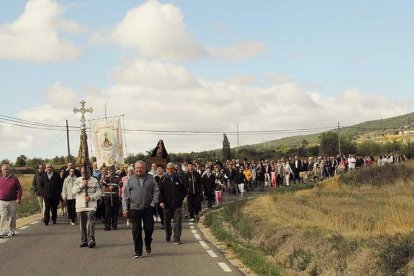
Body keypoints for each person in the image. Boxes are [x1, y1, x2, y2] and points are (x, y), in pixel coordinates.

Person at [122, 160, 159, 259]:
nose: (139, 170)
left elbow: (156, 191)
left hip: (148, 208)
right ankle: (138, 251)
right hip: (134, 208)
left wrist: (153, 203)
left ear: (145, 168)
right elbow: (125, 195)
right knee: (136, 230)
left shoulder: (151, 178)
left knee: (149, 229)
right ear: (135, 169)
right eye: (137, 168)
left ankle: (147, 243)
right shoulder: (130, 180)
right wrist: (125, 208)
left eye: (141, 168)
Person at [72, 166, 102, 248]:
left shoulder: (94, 180)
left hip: (91, 206)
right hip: (80, 206)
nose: (85, 174)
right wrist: (82, 185)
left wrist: (91, 197)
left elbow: (99, 192)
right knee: (82, 224)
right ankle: (84, 240)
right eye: (83, 172)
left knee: (91, 223)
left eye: (87, 172)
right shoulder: (78, 180)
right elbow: (73, 191)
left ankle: (91, 239)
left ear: (90, 172)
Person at [159, 162, 187, 244]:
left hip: (177, 204)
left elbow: (184, 190)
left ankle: (177, 238)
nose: (170, 170)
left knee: (177, 222)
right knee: (167, 222)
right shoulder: (163, 179)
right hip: (166, 204)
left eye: (171, 169)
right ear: (166, 169)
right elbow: (160, 192)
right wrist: (161, 201)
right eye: (168, 169)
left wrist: (180, 199)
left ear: (174, 169)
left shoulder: (180, 178)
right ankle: (168, 235)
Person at [0, 164, 22, 238]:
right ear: (2, 170)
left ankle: (12, 230)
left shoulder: (14, 179)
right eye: (4, 169)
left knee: (12, 216)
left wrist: (18, 198)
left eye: (7, 169)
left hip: (12, 201)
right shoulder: (0, 179)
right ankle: (3, 231)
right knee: (3, 216)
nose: (5, 171)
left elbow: (19, 189)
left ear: (9, 170)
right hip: (2, 201)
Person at [100, 166, 120, 231]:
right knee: (107, 212)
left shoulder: (117, 176)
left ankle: (114, 225)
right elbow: (102, 184)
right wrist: (107, 177)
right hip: (107, 196)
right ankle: (107, 226)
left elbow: (121, 184)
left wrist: (114, 187)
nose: (111, 171)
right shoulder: (105, 176)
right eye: (110, 170)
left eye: (113, 170)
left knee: (115, 211)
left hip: (115, 196)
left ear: (115, 170)